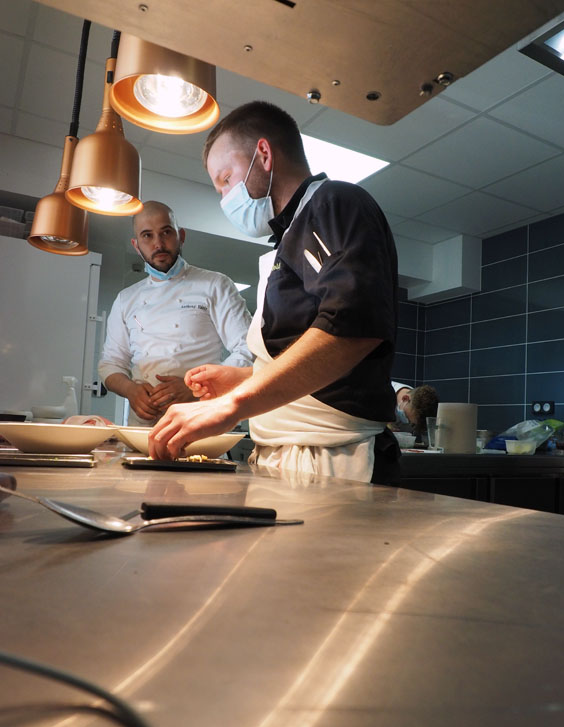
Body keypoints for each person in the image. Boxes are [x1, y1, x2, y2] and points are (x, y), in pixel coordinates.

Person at [149, 101, 399, 483]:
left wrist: (234, 405)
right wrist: (246, 377)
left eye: (226, 179)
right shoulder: (288, 238)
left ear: (263, 155)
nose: (224, 198)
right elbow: (307, 355)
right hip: (290, 455)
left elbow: (353, 326)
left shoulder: (335, 203)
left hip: (336, 459)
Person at [97, 201, 253, 425]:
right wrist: (131, 390)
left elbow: (248, 349)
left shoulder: (215, 284)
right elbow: (110, 363)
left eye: (166, 232)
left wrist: (198, 388)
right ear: (136, 244)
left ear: (181, 235)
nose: (158, 244)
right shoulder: (125, 299)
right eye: (147, 236)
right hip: (143, 429)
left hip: (201, 421)